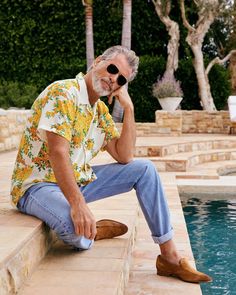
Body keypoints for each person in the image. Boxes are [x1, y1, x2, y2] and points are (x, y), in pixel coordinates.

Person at [11, 45, 212, 283]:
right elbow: (58, 152)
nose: (113, 79)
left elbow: (124, 156)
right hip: (37, 186)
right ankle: (93, 229)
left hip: (75, 180)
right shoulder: (64, 93)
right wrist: (78, 204)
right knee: (74, 230)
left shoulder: (99, 112)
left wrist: (129, 108)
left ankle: (169, 257)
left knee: (145, 170)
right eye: (112, 69)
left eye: (121, 79)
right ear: (97, 62)